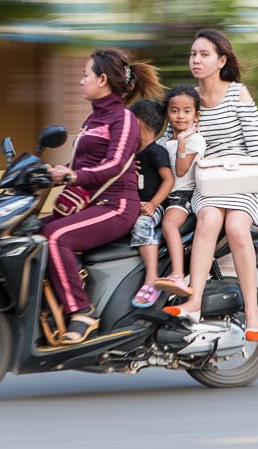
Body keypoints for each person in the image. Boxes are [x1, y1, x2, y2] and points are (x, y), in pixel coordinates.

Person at [158, 28, 258, 343]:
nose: (196, 60)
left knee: (238, 229)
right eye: (193, 54)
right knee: (209, 219)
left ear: (221, 60)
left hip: (244, 180)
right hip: (209, 182)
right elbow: (169, 139)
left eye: (204, 54)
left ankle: (253, 316)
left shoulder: (238, 93)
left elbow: (257, 145)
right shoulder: (189, 100)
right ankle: (194, 301)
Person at [42, 47, 165, 345]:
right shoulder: (92, 120)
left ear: (102, 80)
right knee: (32, 231)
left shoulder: (122, 119)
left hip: (117, 206)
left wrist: (72, 176)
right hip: (91, 202)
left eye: (85, 75)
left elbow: (113, 165)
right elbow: (82, 165)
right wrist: (52, 172)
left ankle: (82, 312)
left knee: (57, 237)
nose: (80, 81)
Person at [151, 85, 206, 297]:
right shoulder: (162, 142)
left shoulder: (195, 140)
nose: (180, 116)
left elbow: (181, 172)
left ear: (196, 115)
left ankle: (177, 274)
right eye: (174, 111)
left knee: (169, 224)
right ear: (167, 114)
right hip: (161, 196)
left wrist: (182, 141)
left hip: (182, 196)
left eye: (186, 111)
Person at [127, 100, 175, 308]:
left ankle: (152, 279)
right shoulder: (133, 153)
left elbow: (169, 180)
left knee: (142, 224)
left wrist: (154, 204)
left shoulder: (156, 151)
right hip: (135, 206)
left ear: (136, 123)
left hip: (152, 209)